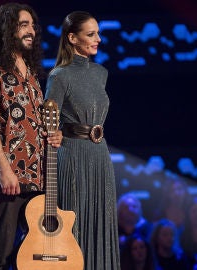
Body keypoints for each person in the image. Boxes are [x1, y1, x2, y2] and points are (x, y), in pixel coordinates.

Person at [0, 3, 62, 269]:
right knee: (1, 255)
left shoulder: (30, 72)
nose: (32, 30)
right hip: (6, 178)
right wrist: (4, 169)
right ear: (7, 29)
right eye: (24, 25)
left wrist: (53, 135)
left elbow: (37, 121)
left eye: (33, 25)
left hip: (37, 175)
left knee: (35, 255)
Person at [45, 10, 120, 270]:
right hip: (73, 155)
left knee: (102, 222)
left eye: (98, 33)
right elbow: (48, 122)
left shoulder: (101, 73)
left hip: (100, 155)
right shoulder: (59, 76)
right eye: (91, 34)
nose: (98, 38)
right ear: (72, 38)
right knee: (76, 224)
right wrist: (54, 134)